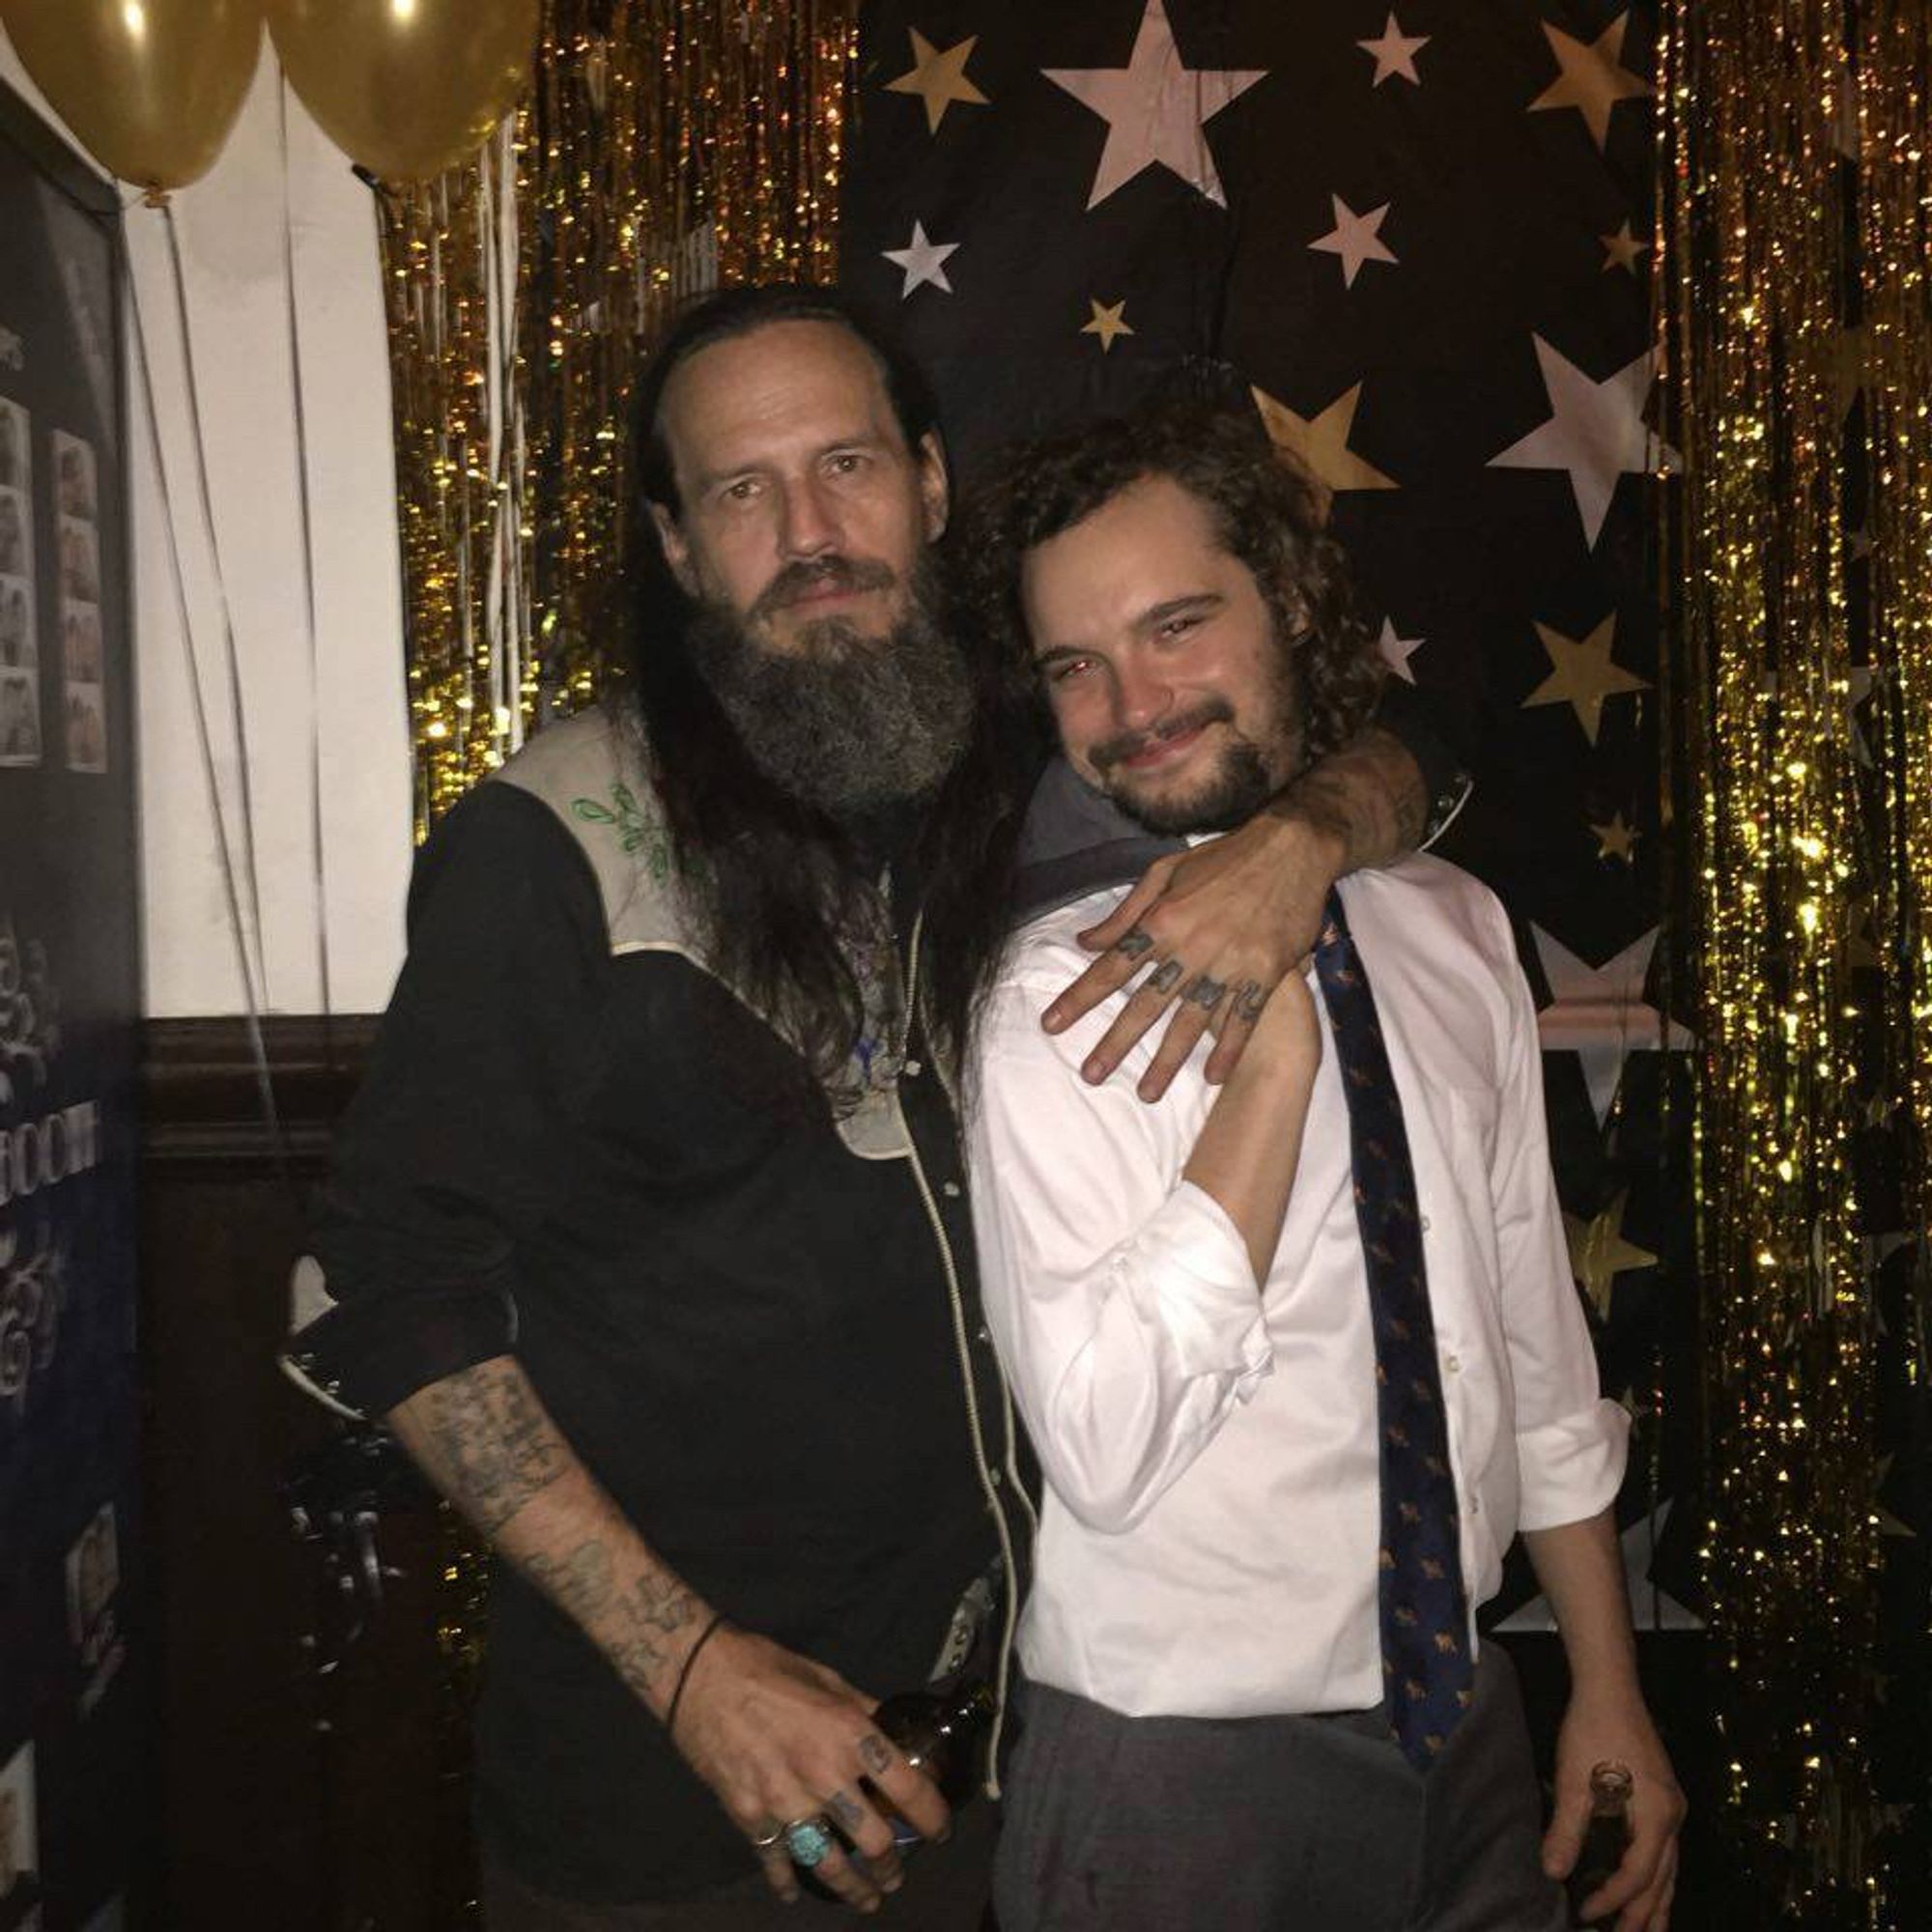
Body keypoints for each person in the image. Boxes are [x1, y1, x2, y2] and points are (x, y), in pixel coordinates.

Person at [283, 284, 1456, 1928]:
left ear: (929, 482)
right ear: (679, 546)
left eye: (845, 465)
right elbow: (381, 1293)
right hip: (682, 1811)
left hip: (1024, 1760)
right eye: (742, 491)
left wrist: (1307, 839)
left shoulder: (1033, 750)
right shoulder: (550, 843)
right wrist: (696, 1676)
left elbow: (1416, 750)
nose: (810, 531)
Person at [951, 404, 1685, 1932]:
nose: (1130, 704)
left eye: (1175, 628)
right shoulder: (1054, 996)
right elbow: (1101, 1441)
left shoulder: (1451, 926)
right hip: (1175, 1788)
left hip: (1465, 1723)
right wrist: (1273, 1066)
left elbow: (1531, 1350)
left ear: (1286, 606)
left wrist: (1606, 1693)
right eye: (1076, 665)